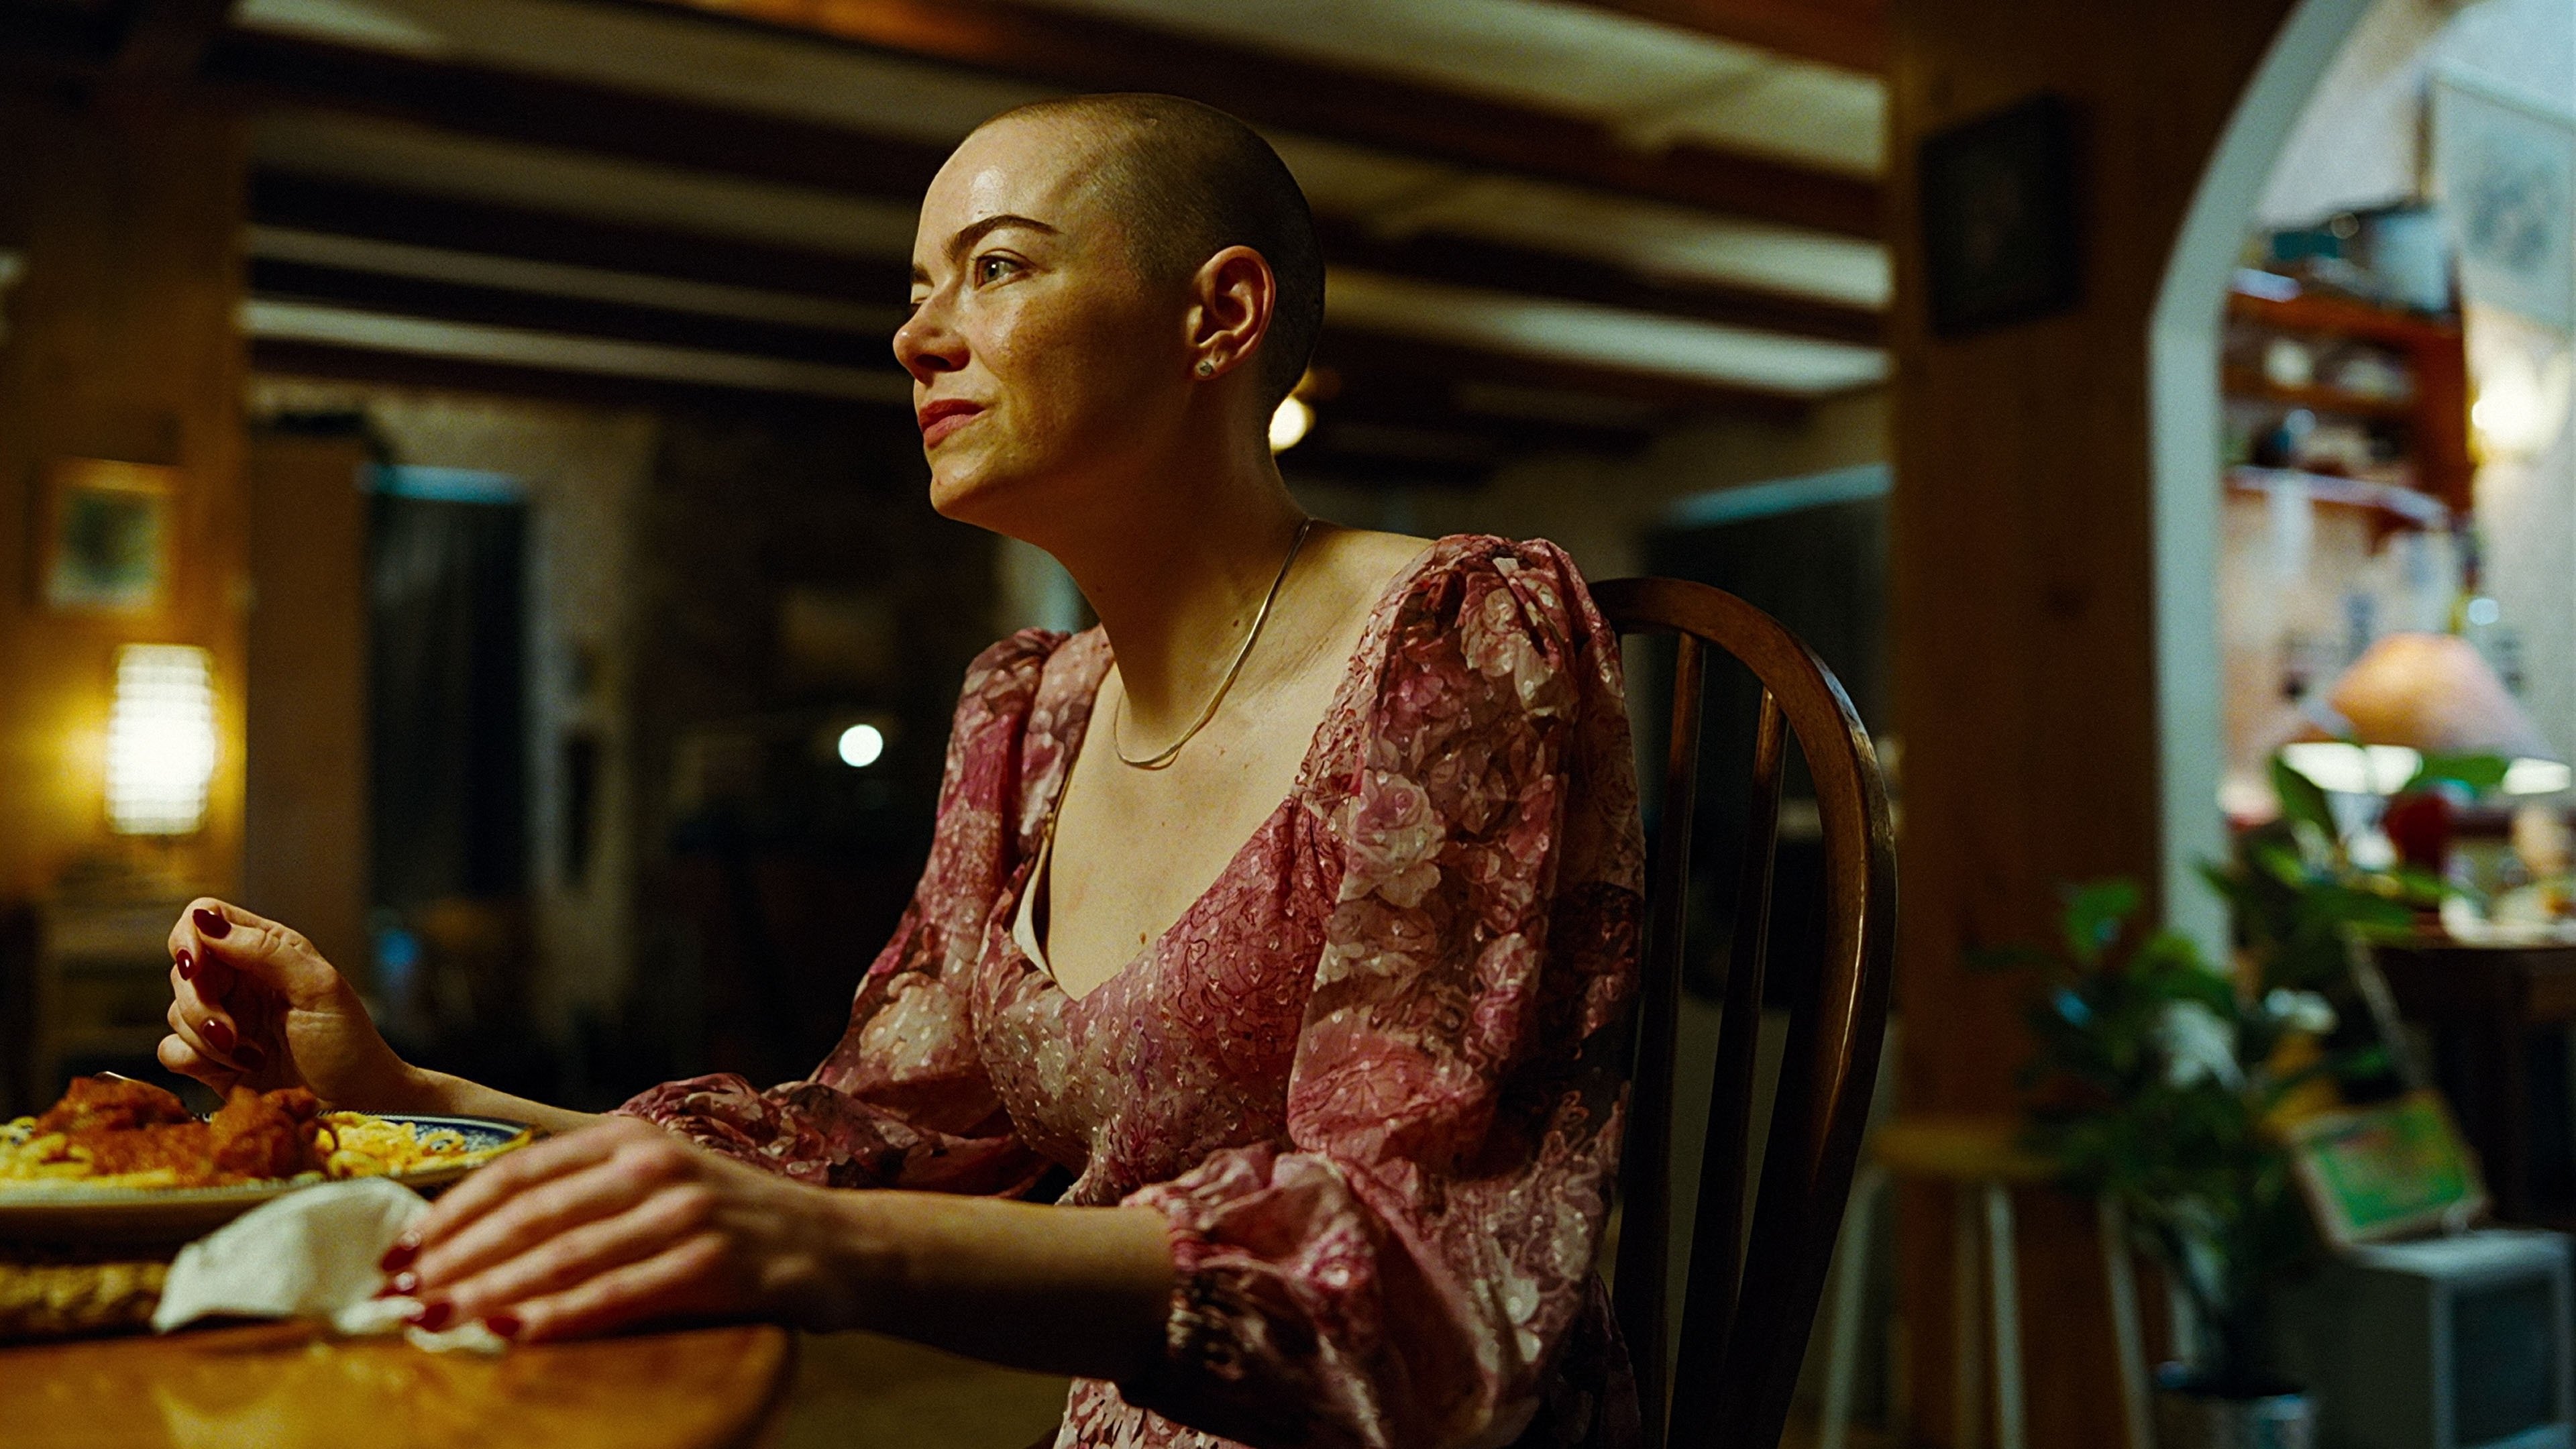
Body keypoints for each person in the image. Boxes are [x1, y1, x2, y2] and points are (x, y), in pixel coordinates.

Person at [159, 93, 1645, 1449]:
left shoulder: (1456, 639)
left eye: (996, 268)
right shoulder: (1025, 721)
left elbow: (1421, 1256)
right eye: (918, 290)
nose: (917, 337)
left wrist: (831, 1261)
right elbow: (862, 1147)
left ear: (1222, 314)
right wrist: (404, 1092)